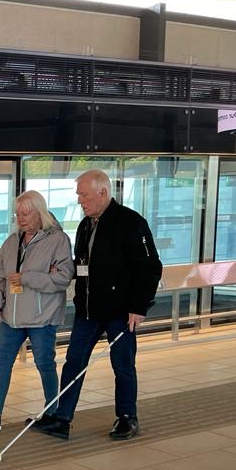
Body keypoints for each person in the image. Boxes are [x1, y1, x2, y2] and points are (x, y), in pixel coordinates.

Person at [34, 169, 163, 441]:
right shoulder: (85, 225)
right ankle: (62, 418)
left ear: (102, 192)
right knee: (73, 363)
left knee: (122, 365)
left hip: (120, 312)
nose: (79, 199)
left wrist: (139, 307)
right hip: (88, 312)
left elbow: (150, 268)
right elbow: (82, 265)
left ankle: (127, 417)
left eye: (84, 194)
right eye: (79, 194)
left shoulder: (130, 223)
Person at [0, 191, 74, 432]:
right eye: (18, 214)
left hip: (42, 317)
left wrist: (27, 278)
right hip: (11, 317)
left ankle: (52, 412)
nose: (21, 219)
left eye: (26, 213)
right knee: (2, 362)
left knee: (44, 363)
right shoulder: (11, 242)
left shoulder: (57, 240)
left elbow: (63, 278)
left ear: (40, 213)